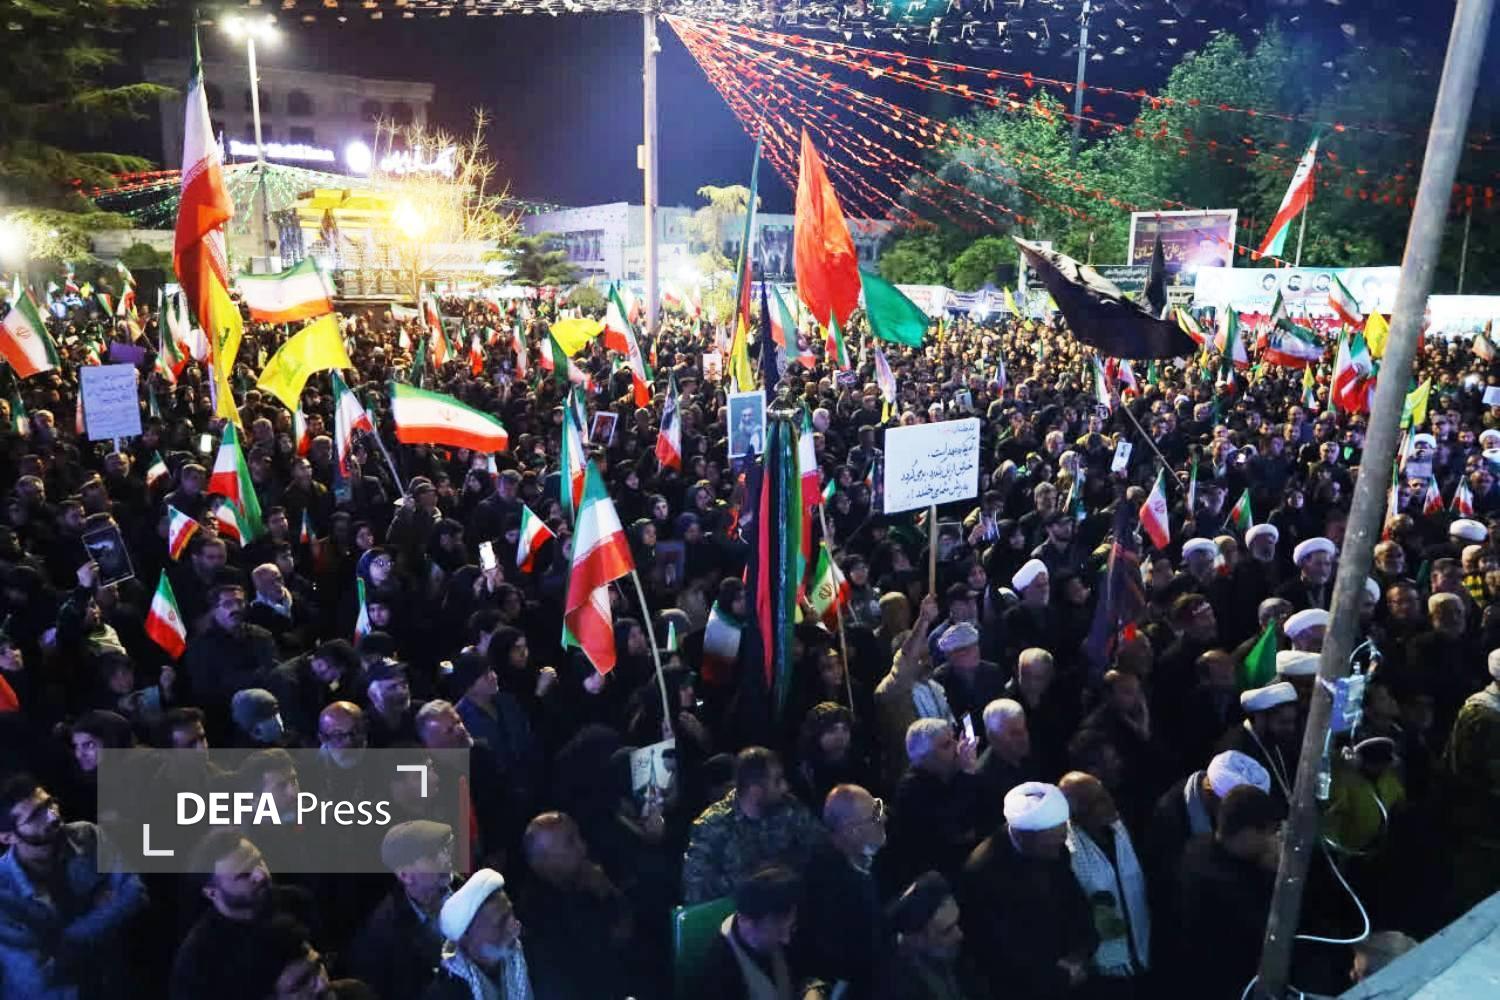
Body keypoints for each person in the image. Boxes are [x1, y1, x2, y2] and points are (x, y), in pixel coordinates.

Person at [0, 773, 147, 1000]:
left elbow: (136, 893)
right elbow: (37, 981)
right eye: (36, 816)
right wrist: (103, 913)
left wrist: (68, 939)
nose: (52, 816)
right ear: (8, 837)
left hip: (113, 979)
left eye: (50, 803)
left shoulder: (87, 836)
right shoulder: (4, 891)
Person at [959, 782, 1097, 999]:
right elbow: (998, 949)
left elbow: (1074, 905)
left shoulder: (1054, 847)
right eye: (1050, 845)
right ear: (1024, 836)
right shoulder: (983, 872)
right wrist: (1058, 977)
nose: (1057, 851)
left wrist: (1080, 954)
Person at [1173, 786, 1285, 998]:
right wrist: (1274, 874)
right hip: (1226, 983)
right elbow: (1268, 929)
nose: (1271, 840)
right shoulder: (1223, 884)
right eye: (1267, 833)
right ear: (1247, 833)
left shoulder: (1197, 846)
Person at [515, 811, 640, 998]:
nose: (583, 848)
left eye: (579, 837)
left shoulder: (586, 881)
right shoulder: (538, 913)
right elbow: (619, 939)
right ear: (543, 860)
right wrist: (606, 894)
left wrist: (608, 890)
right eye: (570, 842)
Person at [681, 746, 824, 903]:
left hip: (787, 904)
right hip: (737, 911)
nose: (785, 787)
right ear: (756, 791)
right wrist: (752, 879)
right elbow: (696, 888)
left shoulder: (789, 807)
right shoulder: (712, 825)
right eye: (777, 781)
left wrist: (787, 869)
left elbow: (821, 849)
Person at [794, 784, 890, 996]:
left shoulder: (869, 853)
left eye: (879, 806)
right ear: (851, 831)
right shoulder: (825, 883)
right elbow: (847, 959)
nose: (883, 817)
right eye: (874, 815)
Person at [1059, 771, 1151, 989]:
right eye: (1098, 800)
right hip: (1104, 971)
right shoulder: (1068, 851)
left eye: (1105, 794)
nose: (1110, 801)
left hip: (1143, 950)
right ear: (1079, 812)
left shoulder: (1121, 828)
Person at [348, 820, 457, 1000]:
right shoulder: (384, 933)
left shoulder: (467, 890)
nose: (446, 859)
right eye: (432, 856)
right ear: (405, 875)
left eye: (445, 849)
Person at [886, 719, 982, 889]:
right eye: (947, 745)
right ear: (925, 758)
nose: (957, 747)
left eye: (954, 739)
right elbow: (955, 827)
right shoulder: (911, 790)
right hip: (940, 876)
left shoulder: (948, 772)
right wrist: (967, 772)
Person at [695, 863, 804, 999]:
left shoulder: (785, 931)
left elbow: (803, 975)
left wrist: (811, 989)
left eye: (791, 927)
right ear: (747, 921)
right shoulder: (718, 968)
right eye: (778, 931)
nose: (786, 939)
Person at [424, 868, 534, 1000]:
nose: (515, 926)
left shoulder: (529, 954)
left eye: (511, 913)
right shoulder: (446, 993)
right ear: (465, 938)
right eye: (500, 923)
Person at [874, 872, 974, 1000]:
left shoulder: (944, 957)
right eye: (947, 931)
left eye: (956, 924)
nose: (959, 934)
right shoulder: (896, 987)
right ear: (914, 939)